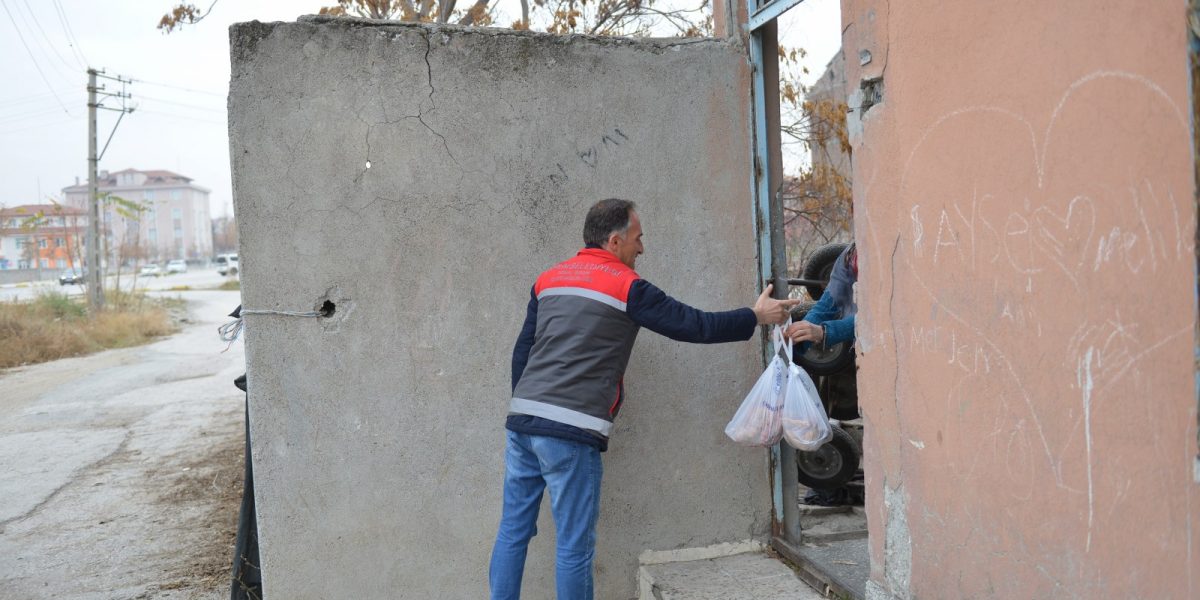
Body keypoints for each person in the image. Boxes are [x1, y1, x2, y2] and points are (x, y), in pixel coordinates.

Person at [489, 198, 799, 600]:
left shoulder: (548, 280)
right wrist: (755, 316)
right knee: (573, 547)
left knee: (513, 531)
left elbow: (522, 352)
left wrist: (527, 406)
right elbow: (694, 325)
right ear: (615, 240)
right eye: (638, 238)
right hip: (571, 431)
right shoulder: (627, 286)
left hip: (523, 423)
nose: (642, 247)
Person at [785, 242, 859, 506]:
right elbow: (829, 301)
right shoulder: (851, 254)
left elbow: (880, 313)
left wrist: (826, 333)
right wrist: (801, 336)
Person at [785, 242, 857, 351]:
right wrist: (798, 335)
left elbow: (875, 319)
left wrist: (824, 331)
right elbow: (827, 305)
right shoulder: (850, 255)